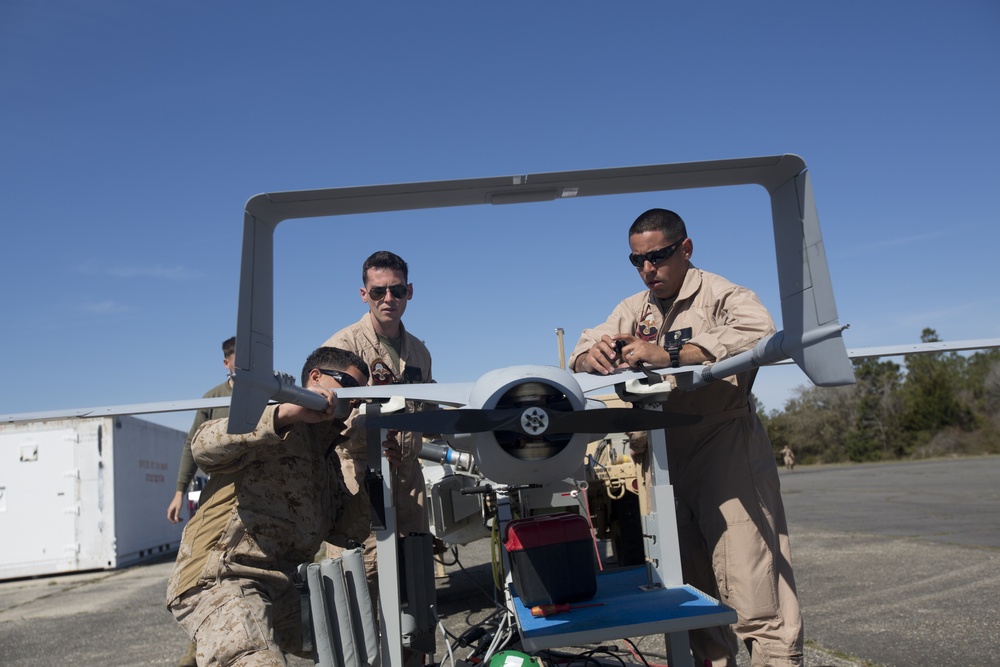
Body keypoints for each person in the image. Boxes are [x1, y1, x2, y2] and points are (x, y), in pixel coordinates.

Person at [569, 208, 803, 667]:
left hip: (724, 446)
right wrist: (589, 355)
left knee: (755, 588)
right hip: (663, 457)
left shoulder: (721, 294)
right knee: (694, 595)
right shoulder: (634, 309)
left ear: (686, 248)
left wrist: (671, 353)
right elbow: (583, 344)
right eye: (637, 261)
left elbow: (760, 333)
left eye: (657, 256)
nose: (647, 269)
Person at [166, 346, 397, 667]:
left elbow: (345, 533)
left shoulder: (325, 457)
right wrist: (283, 414)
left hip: (282, 587)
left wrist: (380, 474)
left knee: (360, 645)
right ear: (316, 378)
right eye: (349, 386)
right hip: (220, 578)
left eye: (361, 393)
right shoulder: (271, 416)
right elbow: (204, 445)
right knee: (256, 660)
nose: (355, 400)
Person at [321, 251, 432, 667]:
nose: (389, 298)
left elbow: (426, 413)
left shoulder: (419, 353)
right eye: (380, 290)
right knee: (354, 597)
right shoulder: (342, 347)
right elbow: (324, 415)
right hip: (358, 483)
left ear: (409, 292)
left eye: (397, 289)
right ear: (364, 294)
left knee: (414, 598)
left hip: (409, 486)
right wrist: (369, 428)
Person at [167, 336, 236, 524]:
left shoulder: (269, 395)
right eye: (239, 357)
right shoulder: (213, 399)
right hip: (223, 489)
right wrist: (180, 491)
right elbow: (192, 444)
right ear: (226, 362)